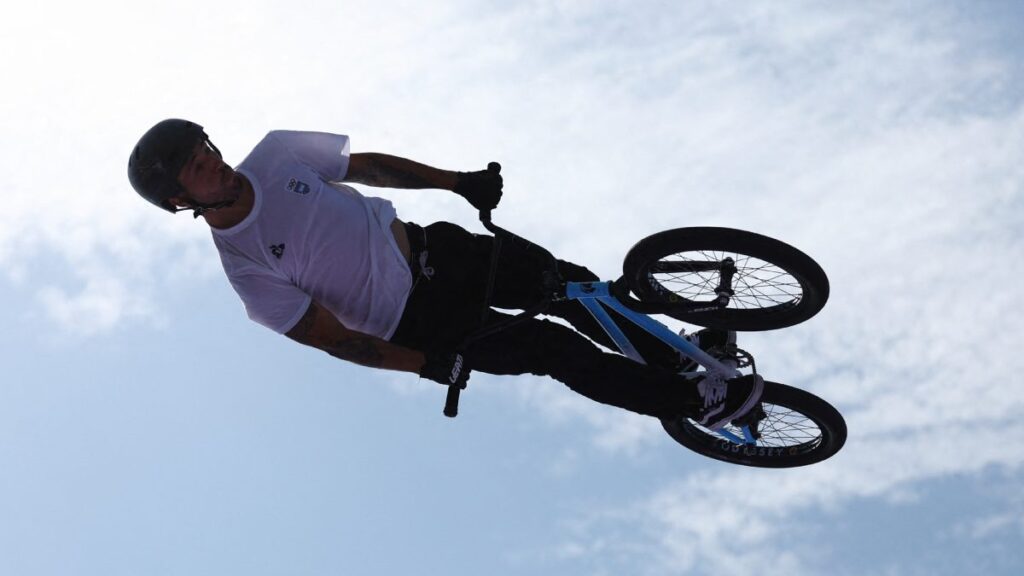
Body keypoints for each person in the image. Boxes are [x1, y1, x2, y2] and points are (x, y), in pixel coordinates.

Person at [127, 119, 762, 430]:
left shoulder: (276, 153)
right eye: (192, 167)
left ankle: (676, 359)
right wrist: (425, 365)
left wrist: (458, 182)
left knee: (570, 285)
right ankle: (694, 404)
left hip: (437, 251)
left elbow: (367, 167)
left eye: (204, 146)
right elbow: (332, 338)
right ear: (180, 201)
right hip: (421, 321)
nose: (210, 160)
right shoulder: (246, 270)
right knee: (551, 348)